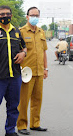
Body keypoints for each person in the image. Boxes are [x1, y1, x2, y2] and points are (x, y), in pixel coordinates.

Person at [0, 5, 27, 136]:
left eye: (7, 14)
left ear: (11, 16)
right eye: (2, 14)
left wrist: (23, 53)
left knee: (13, 107)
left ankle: (10, 131)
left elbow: (24, 48)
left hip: (15, 77)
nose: (5, 16)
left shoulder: (17, 32)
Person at [17, 7, 48, 135]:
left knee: (37, 99)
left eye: (37, 15)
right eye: (32, 15)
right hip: (26, 72)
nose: (34, 17)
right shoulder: (21, 32)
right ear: (27, 16)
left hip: (39, 71)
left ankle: (35, 124)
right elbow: (17, 52)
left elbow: (44, 51)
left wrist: (46, 68)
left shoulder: (41, 32)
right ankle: (22, 125)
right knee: (23, 100)